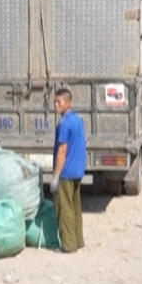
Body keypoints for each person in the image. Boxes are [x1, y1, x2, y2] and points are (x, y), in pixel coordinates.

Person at [51, 88, 86, 253]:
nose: (56, 105)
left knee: (64, 210)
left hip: (65, 172)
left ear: (68, 103)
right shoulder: (77, 120)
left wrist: (56, 175)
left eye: (59, 102)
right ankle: (78, 241)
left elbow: (62, 151)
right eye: (55, 102)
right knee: (75, 208)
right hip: (77, 171)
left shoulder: (64, 123)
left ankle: (68, 246)